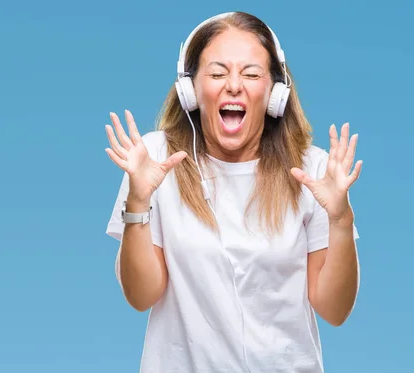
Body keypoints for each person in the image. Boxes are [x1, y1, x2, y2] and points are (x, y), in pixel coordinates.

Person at [104, 11, 362, 373]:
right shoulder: (155, 160)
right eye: (218, 72)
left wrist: (340, 219)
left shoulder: (313, 171)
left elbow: (334, 310)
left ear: (275, 93)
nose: (234, 85)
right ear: (191, 90)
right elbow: (141, 295)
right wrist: (138, 202)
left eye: (252, 74)